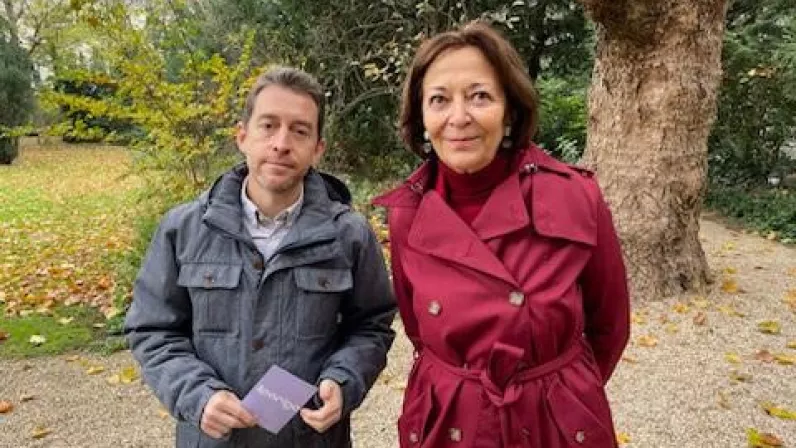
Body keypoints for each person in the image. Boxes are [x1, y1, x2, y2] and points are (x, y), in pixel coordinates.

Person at [373, 21, 630, 448]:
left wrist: (560, 395)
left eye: (480, 96)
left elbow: (610, 326)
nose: (459, 117)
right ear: (421, 117)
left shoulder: (575, 196)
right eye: (439, 99)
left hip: (553, 426)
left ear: (509, 109)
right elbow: (420, 333)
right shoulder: (407, 214)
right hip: (449, 421)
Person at [124, 66, 396, 448]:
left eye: (299, 131)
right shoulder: (184, 230)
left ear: (318, 148)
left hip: (310, 441)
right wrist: (197, 395)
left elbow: (371, 325)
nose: (281, 143)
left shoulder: (349, 235)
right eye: (268, 126)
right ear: (242, 136)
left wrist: (343, 380)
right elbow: (152, 330)